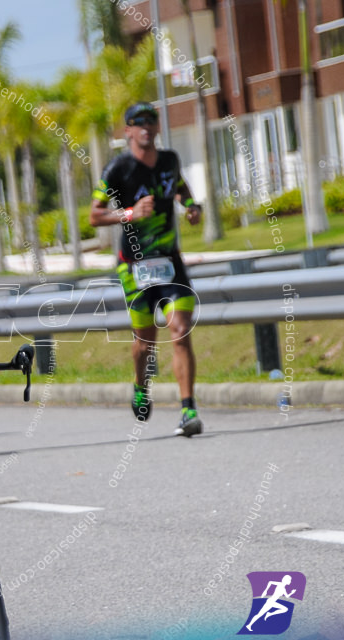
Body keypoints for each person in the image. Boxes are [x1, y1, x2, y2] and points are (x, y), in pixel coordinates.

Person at [89, 102, 204, 437]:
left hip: (170, 262)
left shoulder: (169, 160)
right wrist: (129, 214)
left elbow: (180, 188)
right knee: (144, 343)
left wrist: (191, 206)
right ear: (127, 131)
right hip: (134, 267)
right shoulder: (118, 169)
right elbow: (94, 215)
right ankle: (141, 385)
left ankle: (188, 409)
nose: (146, 127)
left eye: (151, 121)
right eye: (138, 123)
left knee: (180, 328)